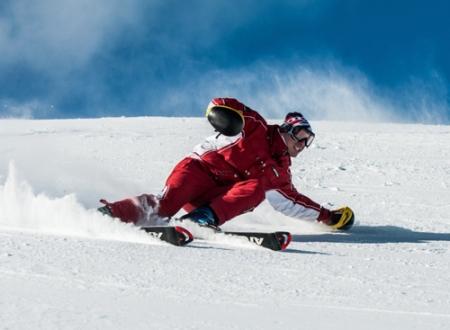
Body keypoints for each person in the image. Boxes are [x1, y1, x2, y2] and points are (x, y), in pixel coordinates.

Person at [98, 97, 354, 230]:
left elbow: (292, 203)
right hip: (198, 170)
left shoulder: (280, 172)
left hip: (215, 198)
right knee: (165, 205)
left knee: (256, 189)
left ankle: (200, 220)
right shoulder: (256, 128)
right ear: (287, 130)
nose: (302, 144)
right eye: (300, 136)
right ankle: (112, 214)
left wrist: (328, 217)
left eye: (307, 141)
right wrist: (223, 117)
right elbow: (223, 104)